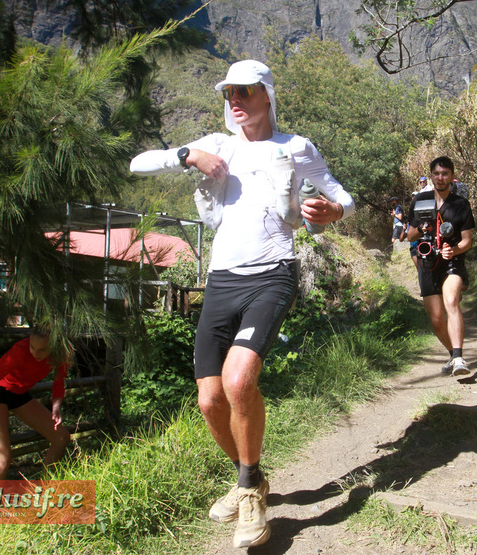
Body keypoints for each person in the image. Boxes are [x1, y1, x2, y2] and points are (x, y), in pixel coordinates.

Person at [129, 59, 354, 548]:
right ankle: (247, 476)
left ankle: (250, 492)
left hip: (272, 274)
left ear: (267, 95)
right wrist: (189, 155)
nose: (234, 100)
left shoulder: (296, 148)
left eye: (245, 92)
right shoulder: (216, 144)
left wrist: (333, 210)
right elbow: (137, 163)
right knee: (209, 400)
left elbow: (343, 198)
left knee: (238, 381)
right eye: (228, 92)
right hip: (220, 281)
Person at [0, 327, 71, 481]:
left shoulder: (62, 352)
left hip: (18, 394)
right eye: (32, 347)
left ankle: (45, 490)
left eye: (42, 350)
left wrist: (56, 407)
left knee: (62, 438)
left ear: (53, 347)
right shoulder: (19, 351)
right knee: (2, 459)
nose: (35, 353)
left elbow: (58, 383)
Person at [407, 156, 475, 377]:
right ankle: (452, 354)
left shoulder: (461, 204)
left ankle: (458, 357)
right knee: (436, 319)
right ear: (431, 176)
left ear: (452, 176)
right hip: (427, 262)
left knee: (451, 301)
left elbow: (467, 241)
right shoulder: (420, 200)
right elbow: (409, 236)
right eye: (436, 173)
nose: (440, 177)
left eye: (445, 173)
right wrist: (421, 226)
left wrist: (453, 251)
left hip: (452, 261)